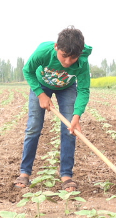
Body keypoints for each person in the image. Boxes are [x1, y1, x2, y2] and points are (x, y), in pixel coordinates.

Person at [16, 26, 92, 191]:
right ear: (57, 47)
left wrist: (76, 116)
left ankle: (66, 175)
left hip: (67, 88)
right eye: (64, 57)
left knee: (69, 129)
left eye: (72, 59)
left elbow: (84, 89)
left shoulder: (82, 62)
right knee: (34, 127)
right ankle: (25, 173)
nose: (67, 63)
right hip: (41, 85)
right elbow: (27, 71)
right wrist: (40, 94)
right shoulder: (44, 52)